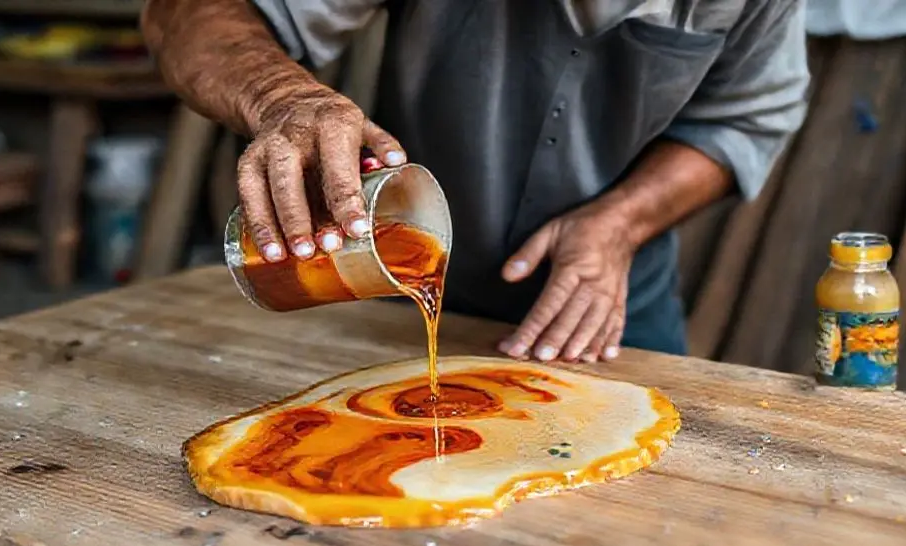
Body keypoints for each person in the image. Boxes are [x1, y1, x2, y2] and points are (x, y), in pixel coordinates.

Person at [141, 0, 809, 363]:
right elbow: (186, 14)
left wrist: (618, 224)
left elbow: (745, 121)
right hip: (388, 275)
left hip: (601, 296)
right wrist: (279, 94)